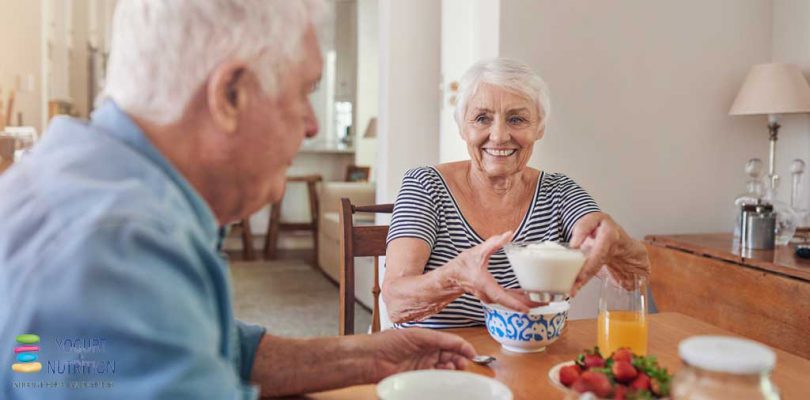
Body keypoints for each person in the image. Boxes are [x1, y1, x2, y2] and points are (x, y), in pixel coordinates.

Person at [0, 1, 474, 399]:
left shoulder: (105, 185)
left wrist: (366, 355)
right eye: (303, 91)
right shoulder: (117, 248)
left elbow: (213, 345)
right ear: (229, 94)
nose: (312, 124)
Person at [382, 58, 650, 329]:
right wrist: (455, 276)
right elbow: (396, 302)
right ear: (463, 127)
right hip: (438, 361)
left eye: (517, 119)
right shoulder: (425, 185)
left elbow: (634, 275)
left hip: (535, 362)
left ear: (539, 128)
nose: (499, 136)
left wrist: (615, 243)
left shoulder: (560, 192)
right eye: (482, 118)